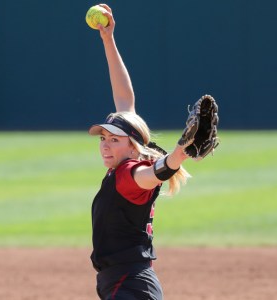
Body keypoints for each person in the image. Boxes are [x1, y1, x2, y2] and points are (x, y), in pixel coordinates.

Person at [87, 4, 191, 300]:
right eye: (103, 138)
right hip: (127, 282)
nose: (106, 144)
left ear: (132, 144)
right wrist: (108, 40)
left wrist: (177, 156)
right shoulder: (127, 161)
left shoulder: (129, 174)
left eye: (114, 140)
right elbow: (125, 100)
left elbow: (151, 175)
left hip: (129, 284)